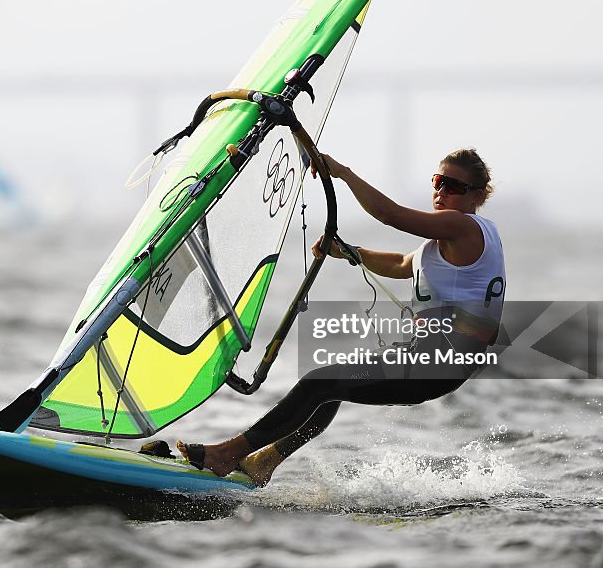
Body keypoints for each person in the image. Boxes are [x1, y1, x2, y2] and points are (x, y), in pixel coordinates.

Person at [176, 148, 506, 486]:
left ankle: (228, 454)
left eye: (454, 187)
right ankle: (265, 461)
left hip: (437, 361)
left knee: (319, 382)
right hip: (431, 358)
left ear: (478, 196)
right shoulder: (454, 240)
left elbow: (389, 214)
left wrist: (343, 172)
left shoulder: (462, 226)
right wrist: (348, 252)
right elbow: (402, 265)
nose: (441, 192)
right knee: (329, 385)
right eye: (438, 182)